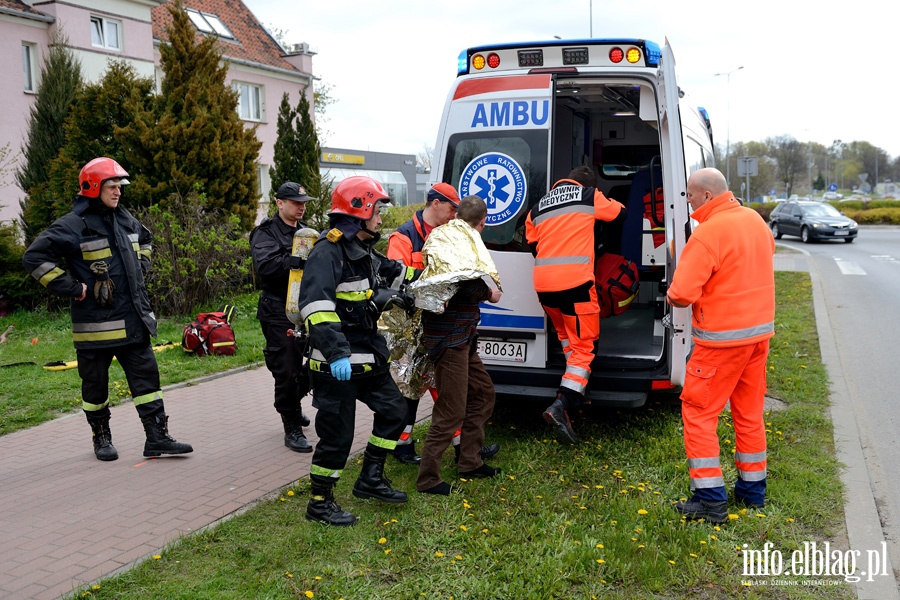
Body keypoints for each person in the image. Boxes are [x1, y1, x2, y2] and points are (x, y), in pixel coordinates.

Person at [22, 157, 192, 461]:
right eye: (111, 186)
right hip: (95, 329)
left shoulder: (125, 219)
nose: (118, 192)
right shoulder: (72, 226)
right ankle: (101, 438)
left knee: (148, 383)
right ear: (92, 187)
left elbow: (147, 239)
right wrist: (73, 287)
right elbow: (34, 258)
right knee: (95, 388)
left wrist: (141, 266)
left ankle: (157, 438)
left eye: (119, 186)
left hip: (133, 321)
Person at [297, 176, 419, 526]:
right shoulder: (327, 251)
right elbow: (316, 307)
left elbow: (395, 274)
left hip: (367, 357)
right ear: (359, 210)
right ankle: (319, 503)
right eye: (377, 210)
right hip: (336, 364)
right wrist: (336, 354)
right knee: (338, 435)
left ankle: (370, 480)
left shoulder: (362, 249)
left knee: (395, 412)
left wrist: (442, 279)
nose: (380, 218)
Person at [665, 167, 775, 523]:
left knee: (698, 413)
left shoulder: (707, 234)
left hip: (720, 344)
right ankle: (752, 491)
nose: (689, 201)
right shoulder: (755, 221)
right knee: (748, 412)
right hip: (757, 338)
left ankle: (711, 501)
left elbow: (681, 294)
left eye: (690, 196)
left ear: (708, 196)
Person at [385, 182, 498, 465]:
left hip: (438, 325)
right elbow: (397, 282)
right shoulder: (403, 237)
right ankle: (403, 445)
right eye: (451, 208)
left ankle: (465, 447)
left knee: (445, 391)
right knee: (411, 389)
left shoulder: (446, 235)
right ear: (435, 203)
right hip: (411, 329)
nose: (454, 214)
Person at [525, 166, 626, 443]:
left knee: (567, 338)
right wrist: (603, 199)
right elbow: (620, 214)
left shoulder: (537, 208)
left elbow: (532, 244)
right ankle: (563, 402)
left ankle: (578, 391)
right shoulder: (588, 196)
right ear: (589, 184)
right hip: (576, 285)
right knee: (586, 346)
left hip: (545, 287)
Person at [416, 195, 503, 495]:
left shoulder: (450, 237)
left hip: (463, 336)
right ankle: (428, 479)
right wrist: (489, 293)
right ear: (482, 222)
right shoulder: (457, 241)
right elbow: (461, 282)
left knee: (483, 393)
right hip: (449, 339)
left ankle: (470, 461)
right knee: (450, 411)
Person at [250, 182, 316, 453]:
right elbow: (264, 266)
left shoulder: (307, 233)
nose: (300, 206)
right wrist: (294, 261)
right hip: (277, 310)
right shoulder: (265, 233)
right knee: (287, 369)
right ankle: (291, 425)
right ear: (279, 203)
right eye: (294, 202)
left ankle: (292, 402)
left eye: (303, 202)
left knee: (316, 363)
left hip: (306, 308)